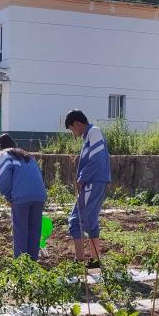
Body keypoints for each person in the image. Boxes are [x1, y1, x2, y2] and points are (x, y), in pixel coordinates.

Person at [64, 109, 111, 269]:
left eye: (72, 129)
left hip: (93, 182)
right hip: (95, 182)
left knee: (76, 220)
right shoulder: (90, 135)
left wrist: (81, 178)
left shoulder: (94, 132)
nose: (73, 134)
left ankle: (80, 261)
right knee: (89, 220)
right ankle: (94, 261)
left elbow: (96, 159)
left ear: (77, 123)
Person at [0, 134, 47, 261]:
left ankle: (21, 265)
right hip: (39, 195)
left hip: (21, 196)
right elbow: (37, 175)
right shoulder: (27, 155)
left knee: (21, 232)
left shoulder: (4, 154)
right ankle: (33, 262)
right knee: (34, 231)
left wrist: (8, 196)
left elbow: (3, 178)